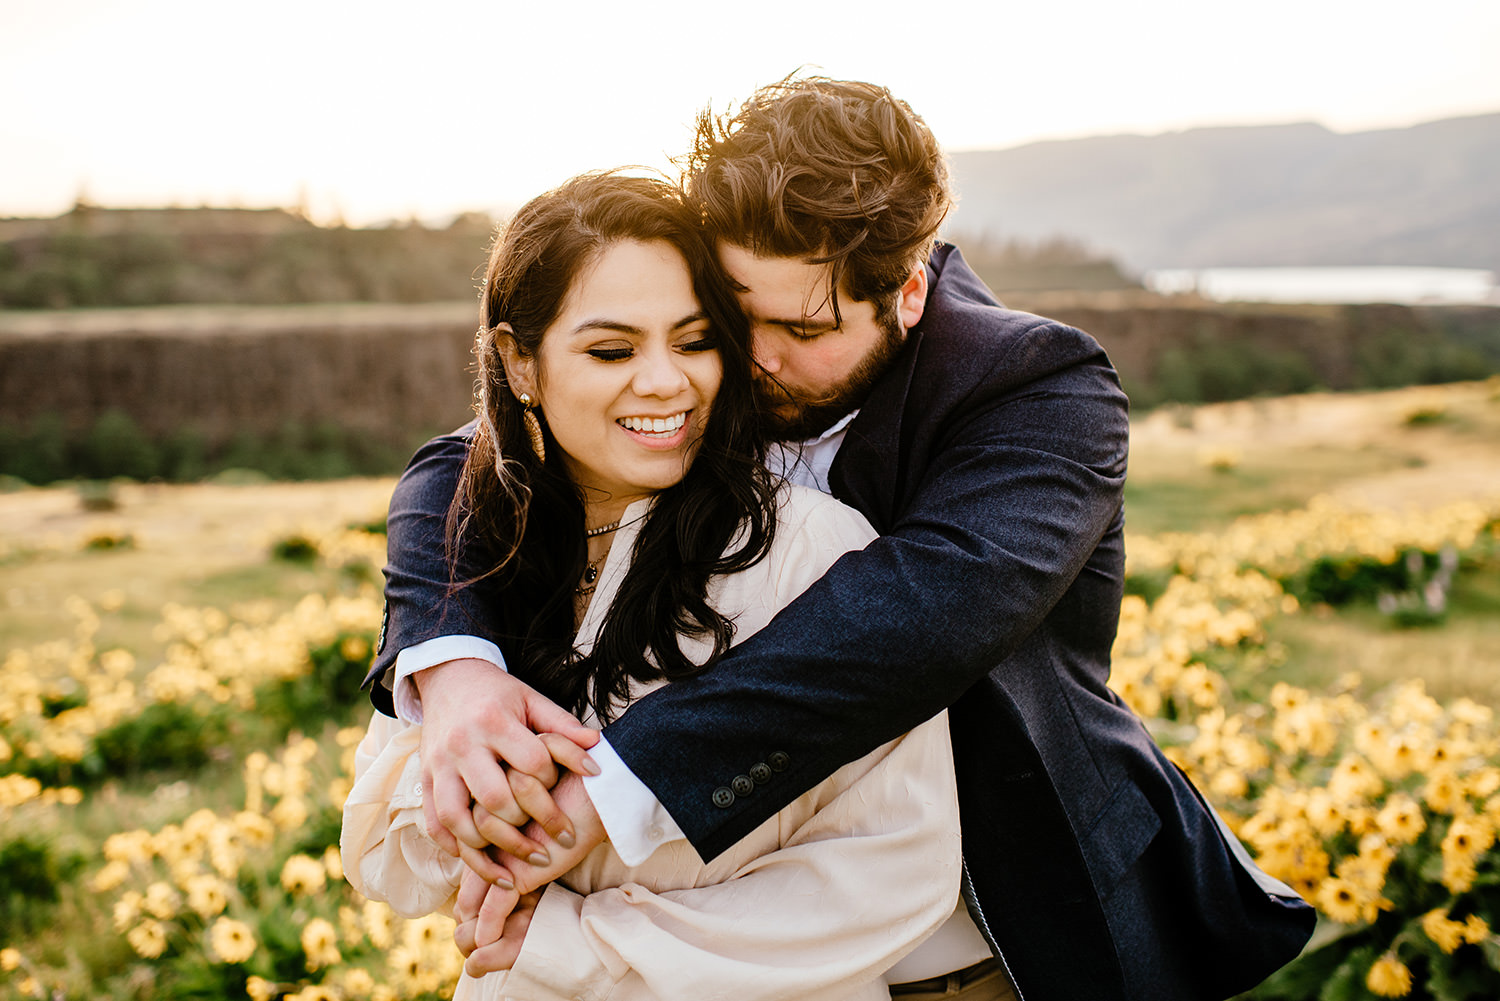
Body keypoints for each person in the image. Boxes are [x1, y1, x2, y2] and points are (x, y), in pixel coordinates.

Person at [366, 79, 1316, 1001]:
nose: (754, 356)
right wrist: (453, 668)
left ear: (906, 294)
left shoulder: (1039, 385)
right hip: (732, 938)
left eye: (801, 326)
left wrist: (609, 789)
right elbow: (480, 454)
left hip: (995, 929)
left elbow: (916, 619)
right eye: (732, 314)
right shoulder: (709, 368)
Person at [342, 172, 963, 1001]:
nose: (666, 381)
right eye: (612, 350)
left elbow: (896, 870)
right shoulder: (474, 555)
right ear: (519, 361)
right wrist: (472, 780)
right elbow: (391, 857)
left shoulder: (813, 549)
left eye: (696, 339)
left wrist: (575, 940)